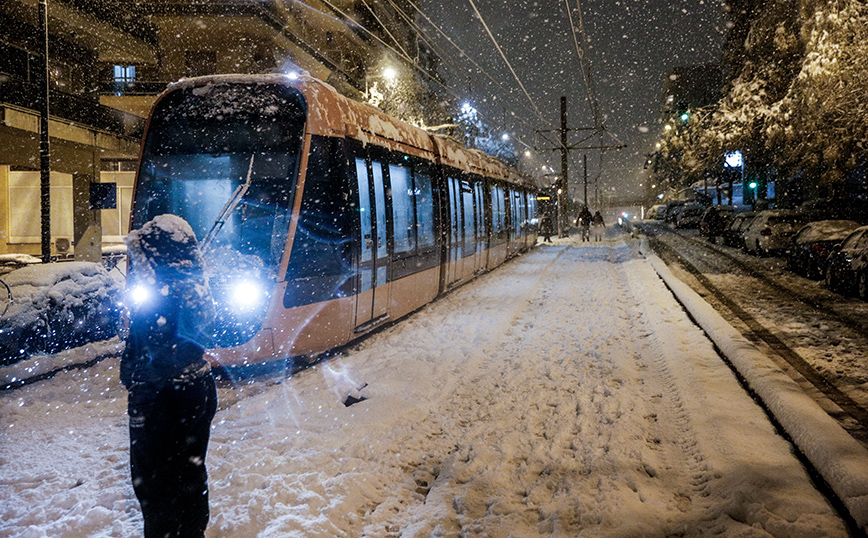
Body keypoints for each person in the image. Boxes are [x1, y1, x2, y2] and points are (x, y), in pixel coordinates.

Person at [121, 214, 218, 538]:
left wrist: (139, 380)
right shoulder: (196, 290)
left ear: (155, 258)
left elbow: (147, 357)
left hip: (162, 399)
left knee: (157, 489)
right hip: (196, 389)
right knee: (190, 475)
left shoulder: (160, 295)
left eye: (143, 256)